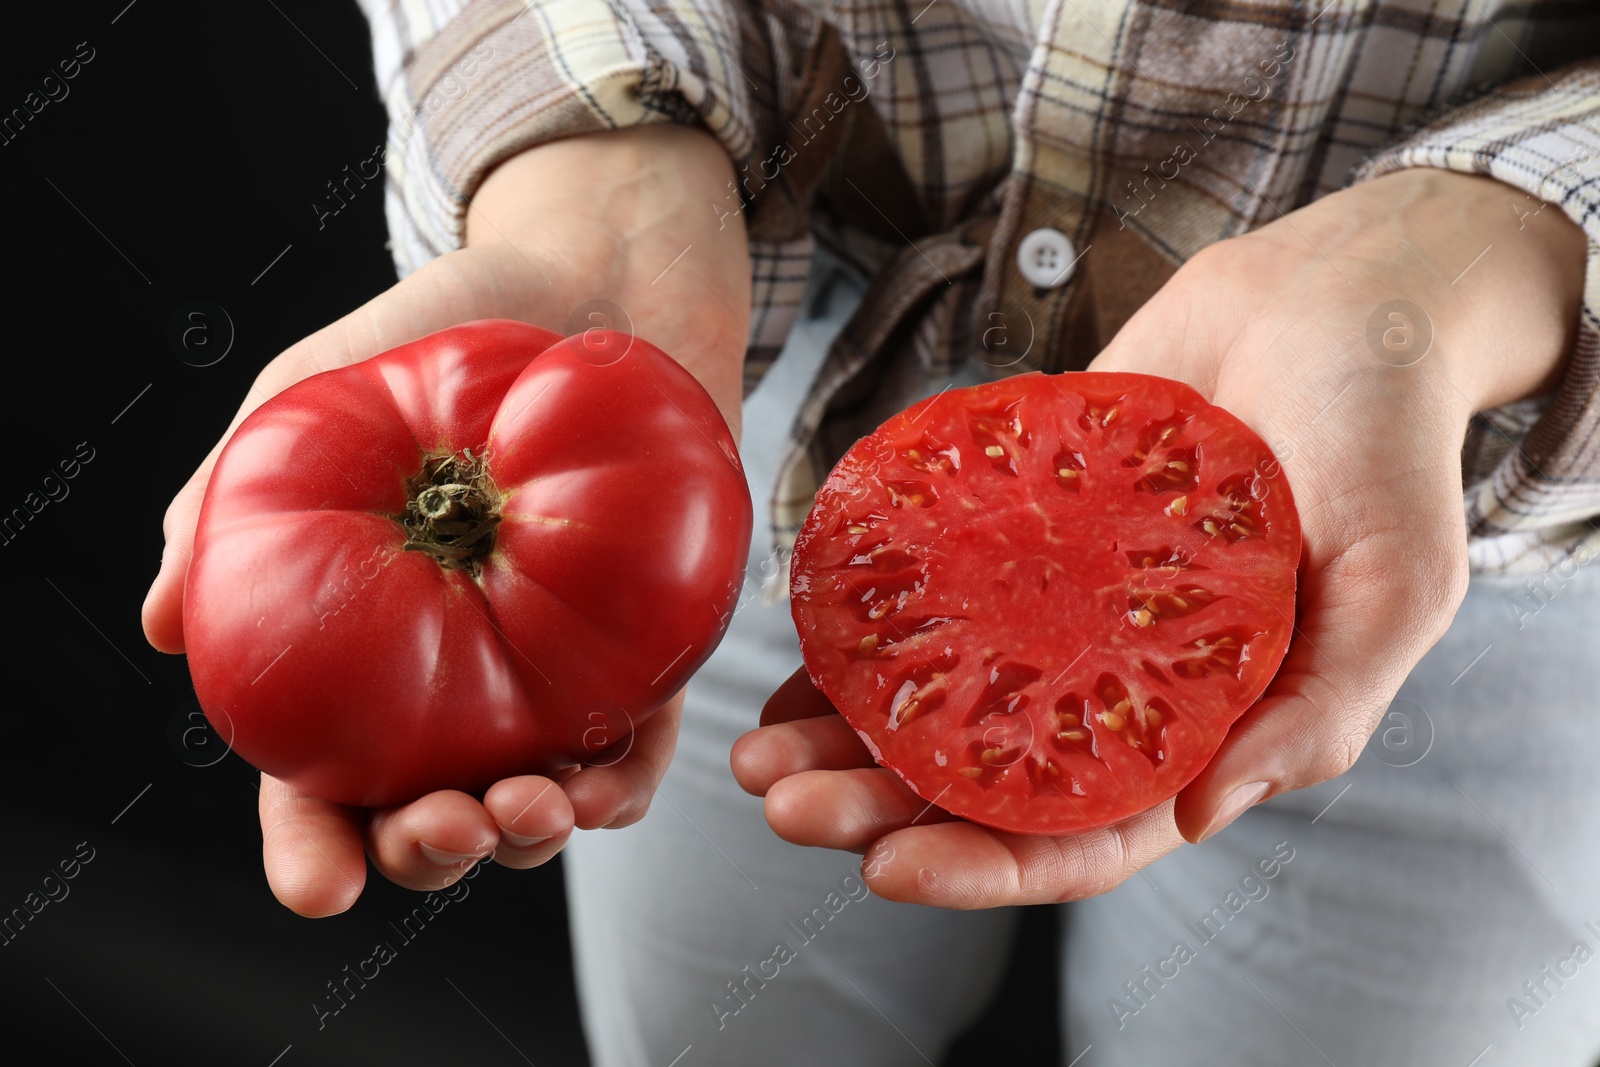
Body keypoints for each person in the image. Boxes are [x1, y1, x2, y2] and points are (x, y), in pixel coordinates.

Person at [142, 0, 1600, 1063]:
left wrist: (1465, 262)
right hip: (712, 437)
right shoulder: (632, 468)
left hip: (1480, 493)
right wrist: (590, 168)